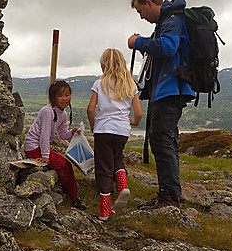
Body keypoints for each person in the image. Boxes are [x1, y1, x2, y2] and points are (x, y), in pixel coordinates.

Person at [127, 0, 194, 208]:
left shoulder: (172, 19)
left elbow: (168, 47)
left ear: (149, 2)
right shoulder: (166, 21)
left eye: (140, 10)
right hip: (166, 91)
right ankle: (170, 193)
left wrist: (138, 42)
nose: (141, 16)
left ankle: (169, 197)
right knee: (167, 141)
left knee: (161, 141)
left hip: (170, 90)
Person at [87, 48, 143, 221]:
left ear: (104, 65)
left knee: (104, 167)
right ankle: (122, 185)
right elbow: (139, 113)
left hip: (103, 129)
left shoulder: (99, 83)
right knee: (117, 157)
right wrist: (133, 122)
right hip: (122, 130)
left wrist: (93, 125)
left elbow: (90, 109)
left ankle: (105, 210)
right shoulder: (130, 84)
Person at [24, 79, 87, 209]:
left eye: (67, 95)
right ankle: (74, 198)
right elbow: (44, 135)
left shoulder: (63, 113)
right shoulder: (47, 111)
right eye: (60, 95)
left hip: (40, 147)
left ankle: (71, 194)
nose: (65, 99)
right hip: (34, 147)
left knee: (65, 164)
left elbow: (63, 134)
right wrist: (46, 156)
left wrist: (73, 132)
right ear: (52, 98)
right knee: (64, 165)